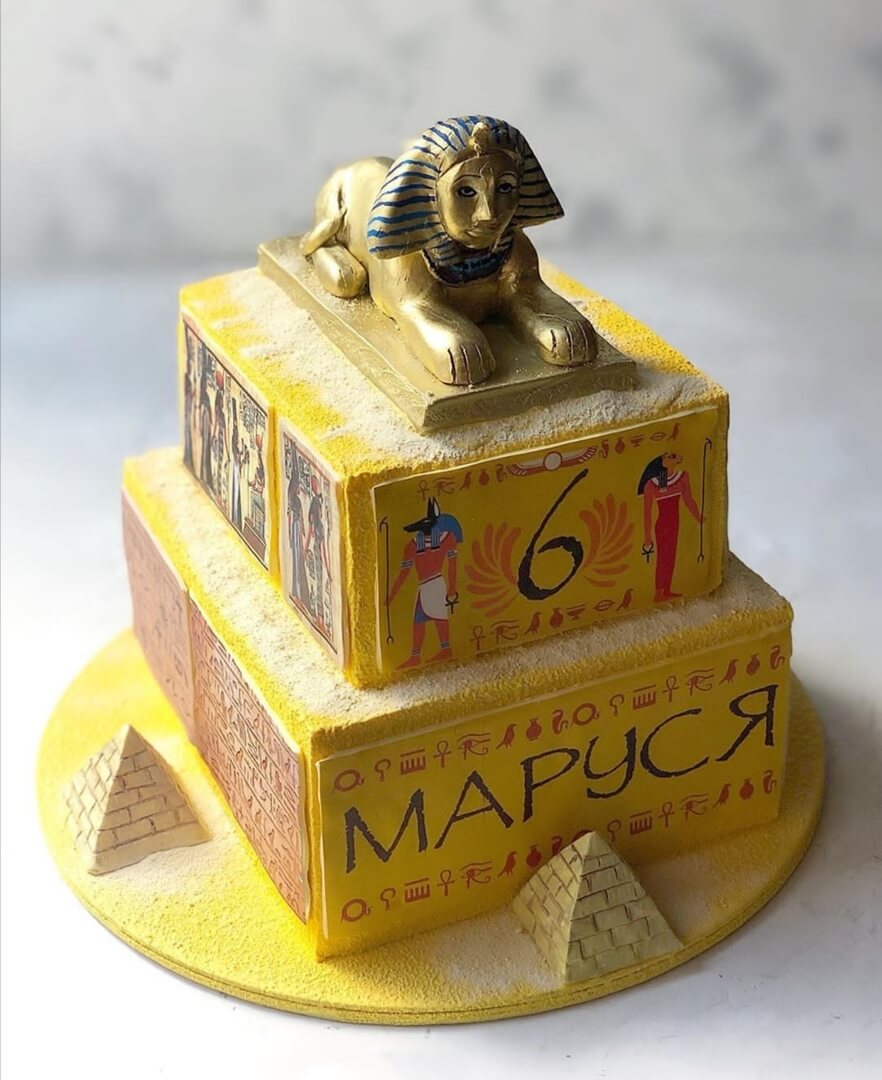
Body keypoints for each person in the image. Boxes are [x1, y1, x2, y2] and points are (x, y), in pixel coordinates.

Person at [387, 499, 462, 669]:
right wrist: (392, 595)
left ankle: (445, 649)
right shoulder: (412, 545)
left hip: (435, 583)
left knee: (438, 616)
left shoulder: (447, 538)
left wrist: (452, 588)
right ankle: (416, 655)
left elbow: (453, 565)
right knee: (419, 619)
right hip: (425, 586)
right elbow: (404, 573)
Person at [638, 452, 702, 602]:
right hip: (663, 525)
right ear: (663, 461)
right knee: (663, 557)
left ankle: (666, 589)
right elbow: (647, 512)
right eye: (671, 456)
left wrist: (700, 519)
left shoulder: (682, 477)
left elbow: (689, 500)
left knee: (671, 556)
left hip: (675, 523)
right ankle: (658, 591)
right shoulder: (652, 484)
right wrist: (647, 537)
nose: (677, 457)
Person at [198, 363, 213, 490]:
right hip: (205, 424)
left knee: (207, 450)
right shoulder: (203, 396)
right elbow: (203, 411)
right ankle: (204, 476)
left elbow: (208, 412)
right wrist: (202, 427)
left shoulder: (206, 396)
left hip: (207, 425)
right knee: (205, 449)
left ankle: (206, 476)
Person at [229, 397, 243, 531]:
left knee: (237, 494)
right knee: (236, 493)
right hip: (235, 469)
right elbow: (237, 456)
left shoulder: (235, 436)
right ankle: (235, 518)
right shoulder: (234, 437)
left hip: (237, 469)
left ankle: (236, 519)